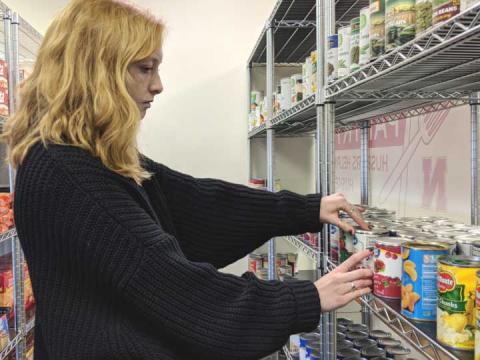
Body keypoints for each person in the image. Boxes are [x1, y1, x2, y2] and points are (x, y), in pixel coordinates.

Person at [2, 0, 373, 359]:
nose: (158, 85)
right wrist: (307, 298)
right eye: (145, 68)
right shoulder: (71, 174)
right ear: (96, 74)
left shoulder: (86, 156)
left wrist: (309, 208)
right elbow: (175, 288)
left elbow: (196, 204)